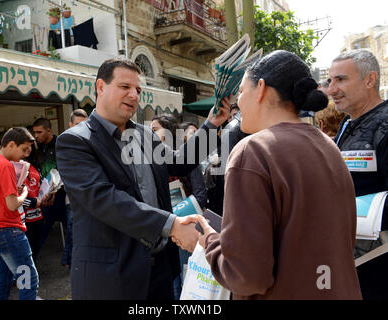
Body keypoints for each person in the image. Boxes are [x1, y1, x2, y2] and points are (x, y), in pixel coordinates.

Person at [55, 58, 229, 299]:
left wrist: (212, 124)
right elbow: (104, 199)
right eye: (125, 87)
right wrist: (171, 224)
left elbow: (179, 162)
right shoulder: (75, 141)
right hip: (112, 277)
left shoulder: (146, 134)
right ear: (100, 87)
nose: (134, 95)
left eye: (138, 90)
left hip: (159, 272)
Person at [195, 50, 362, 299]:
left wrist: (208, 240)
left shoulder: (253, 150)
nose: (237, 102)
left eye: (241, 91)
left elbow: (246, 276)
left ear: (260, 88)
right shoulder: (329, 147)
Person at [327, 49, 388, 300]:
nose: (331, 90)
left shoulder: (385, 124)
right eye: (330, 81)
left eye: (340, 79)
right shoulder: (347, 123)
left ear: (370, 80)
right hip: (353, 263)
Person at [151, 114, 207, 299]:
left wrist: (173, 218)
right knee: (171, 282)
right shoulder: (150, 160)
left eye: (154, 130)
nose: (149, 135)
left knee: (186, 282)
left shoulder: (186, 159)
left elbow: (200, 196)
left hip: (185, 229)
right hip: (162, 234)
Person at [0, 127, 39, 300]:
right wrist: (24, 193)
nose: (25, 155)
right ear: (11, 145)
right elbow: (12, 205)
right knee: (29, 281)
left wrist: (11, 192)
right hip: (9, 231)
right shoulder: (5, 166)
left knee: (3, 278)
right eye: (23, 149)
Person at [30, 117, 67, 255]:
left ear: (48, 130)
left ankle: (72, 259)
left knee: (71, 227)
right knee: (42, 228)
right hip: (43, 195)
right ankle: (32, 259)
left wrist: (54, 192)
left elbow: (63, 170)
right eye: (34, 132)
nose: (36, 136)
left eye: (39, 132)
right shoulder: (36, 147)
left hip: (61, 194)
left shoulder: (60, 144)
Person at [61, 108, 88, 269]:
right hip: (73, 199)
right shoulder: (66, 144)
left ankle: (70, 262)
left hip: (88, 199)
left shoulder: (89, 142)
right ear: (70, 124)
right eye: (78, 124)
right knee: (72, 230)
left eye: (84, 124)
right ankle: (70, 263)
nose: (81, 127)